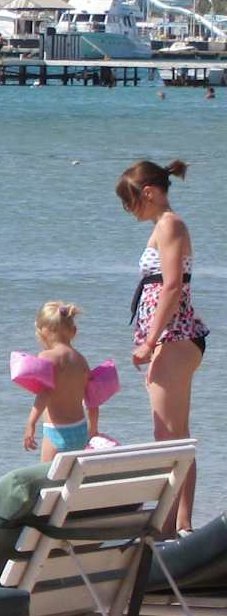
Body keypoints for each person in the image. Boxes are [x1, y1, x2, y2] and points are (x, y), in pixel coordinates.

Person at [119, 158, 207, 531]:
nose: (128, 209)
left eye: (129, 201)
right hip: (174, 338)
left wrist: (150, 341)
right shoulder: (164, 226)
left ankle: (171, 526)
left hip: (174, 336)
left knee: (168, 438)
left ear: (149, 193)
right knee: (175, 436)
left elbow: (171, 286)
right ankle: (180, 524)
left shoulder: (170, 225)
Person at [20, 302, 96, 464]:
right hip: (80, 429)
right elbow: (92, 398)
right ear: (74, 331)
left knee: (48, 475)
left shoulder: (46, 357)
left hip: (57, 431)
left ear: (43, 332)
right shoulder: (81, 359)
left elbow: (45, 393)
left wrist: (31, 424)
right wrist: (93, 429)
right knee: (71, 474)